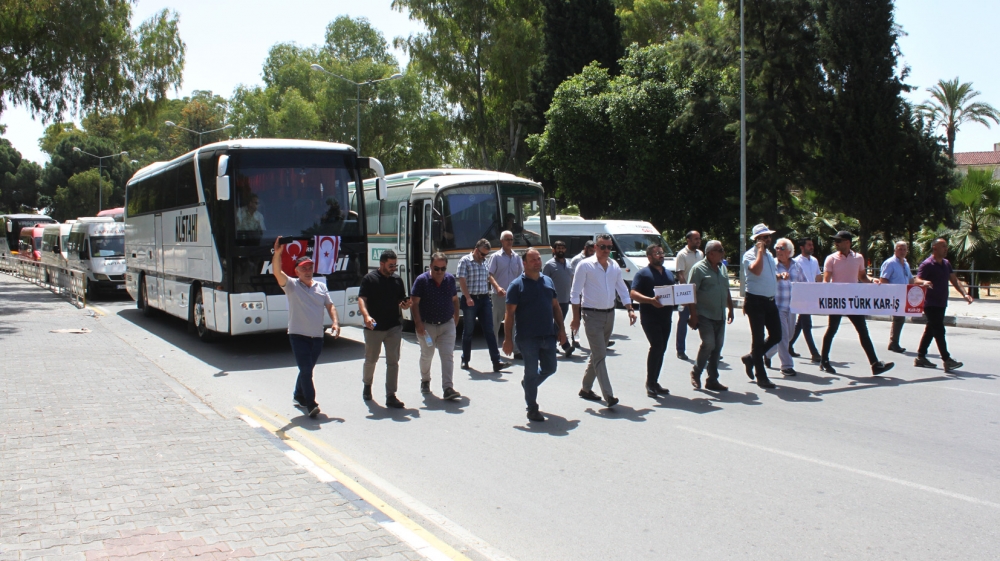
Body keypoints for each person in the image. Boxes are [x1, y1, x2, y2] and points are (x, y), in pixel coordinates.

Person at [271, 238, 340, 418]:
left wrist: (335, 322)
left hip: (317, 337)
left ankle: (298, 395)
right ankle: (311, 404)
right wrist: (278, 253)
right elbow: (277, 272)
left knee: (306, 369)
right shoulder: (292, 286)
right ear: (296, 271)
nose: (308, 271)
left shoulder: (321, 287)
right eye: (304, 268)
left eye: (310, 268)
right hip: (298, 336)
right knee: (307, 370)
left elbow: (330, 306)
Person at [570, 234, 637, 407]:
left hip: (609, 314)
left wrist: (630, 308)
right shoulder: (584, 265)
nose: (606, 250)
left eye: (609, 247)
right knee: (601, 355)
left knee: (597, 353)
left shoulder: (613, 265)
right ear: (595, 247)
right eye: (602, 247)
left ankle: (585, 389)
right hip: (591, 315)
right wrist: (576, 318)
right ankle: (609, 395)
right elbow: (575, 293)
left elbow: (622, 288)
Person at [504, 248, 568, 422]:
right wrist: (508, 339)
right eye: (533, 260)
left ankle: (528, 385)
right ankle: (532, 407)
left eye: (538, 259)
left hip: (548, 335)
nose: (537, 262)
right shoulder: (516, 286)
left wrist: (561, 330)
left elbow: (556, 307)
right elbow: (509, 314)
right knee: (531, 372)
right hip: (527, 338)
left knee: (550, 368)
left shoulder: (547, 281)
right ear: (524, 264)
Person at [819, 231, 894, 376]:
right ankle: (824, 360)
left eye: (839, 241)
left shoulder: (858, 258)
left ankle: (875, 364)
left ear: (848, 242)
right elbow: (826, 279)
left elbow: (862, 276)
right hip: (838, 301)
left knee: (863, 331)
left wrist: (873, 280)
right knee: (832, 329)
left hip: (853, 300)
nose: (836, 243)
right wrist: (825, 292)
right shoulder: (831, 259)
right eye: (835, 241)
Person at [358, 249, 411, 408]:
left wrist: (406, 304)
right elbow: (362, 299)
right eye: (390, 265)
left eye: (395, 265)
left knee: (393, 362)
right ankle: (367, 385)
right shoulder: (369, 279)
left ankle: (391, 395)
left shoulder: (397, 280)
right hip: (374, 328)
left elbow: (401, 300)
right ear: (381, 264)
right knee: (371, 359)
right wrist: (366, 316)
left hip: (393, 326)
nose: (393, 268)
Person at [914, 238, 973, 372]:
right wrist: (923, 282)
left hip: (941, 303)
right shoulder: (927, 264)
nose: (946, 249)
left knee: (931, 330)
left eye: (946, 246)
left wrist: (964, 294)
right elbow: (916, 279)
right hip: (930, 303)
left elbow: (954, 280)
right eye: (943, 246)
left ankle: (920, 357)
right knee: (940, 330)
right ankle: (947, 360)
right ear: (935, 248)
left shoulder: (946, 263)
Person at [410, 252, 462, 400]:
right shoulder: (422, 281)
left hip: (447, 324)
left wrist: (456, 318)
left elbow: (455, 300)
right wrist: (418, 323)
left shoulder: (450, 279)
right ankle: (425, 380)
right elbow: (414, 303)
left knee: (447, 356)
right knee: (427, 355)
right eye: (436, 268)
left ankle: (448, 388)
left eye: (442, 268)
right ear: (430, 266)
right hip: (427, 326)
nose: (439, 272)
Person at [686, 240, 735, 391]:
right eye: (720, 250)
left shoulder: (723, 268)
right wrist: (693, 315)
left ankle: (712, 380)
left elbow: (726, 289)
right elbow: (690, 293)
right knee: (709, 344)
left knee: (717, 348)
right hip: (704, 314)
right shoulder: (698, 269)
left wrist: (731, 308)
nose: (723, 253)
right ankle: (696, 372)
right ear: (710, 253)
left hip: (719, 314)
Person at [457, 239, 512, 372]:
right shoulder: (465, 261)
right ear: (476, 250)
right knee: (469, 331)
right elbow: (462, 280)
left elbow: (489, 276)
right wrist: (468, 297)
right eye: (482, 254)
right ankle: (465, 359)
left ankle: (496, 361)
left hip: (484, 299)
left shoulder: (484, 262)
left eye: (486, 255)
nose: (484, 257)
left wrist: (497, 287)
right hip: (470, 299)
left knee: (490, 330)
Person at [629, 244, 676, 397]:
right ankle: (650, 383)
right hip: (650, 318)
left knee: (662, 349)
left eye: (662, 253)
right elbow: (633, 293)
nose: (660, 255)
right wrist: (650, 300)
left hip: (666, 317)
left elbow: (674, 293)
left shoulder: (669, 274)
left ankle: (655, 381)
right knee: (657, 346)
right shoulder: (643, 274)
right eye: (657, 253)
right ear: (649, 257)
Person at [740, 224, 781, 389]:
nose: (768, 239)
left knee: (777, 335)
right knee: (758, 339)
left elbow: (766, 275)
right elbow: (756, 271)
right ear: (757, 240)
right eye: (764, 237)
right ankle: (761, 375)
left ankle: (751, 358)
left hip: (770, 301)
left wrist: (778, 276)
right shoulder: (750, 255)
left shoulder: (770, 255)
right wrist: (760, 252)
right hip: (755, 301)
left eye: (769, 237)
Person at [765, 238, 807, 376]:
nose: (778, 251)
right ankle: (786, 365)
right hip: (777, 307)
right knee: (783, 336)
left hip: (792, 307)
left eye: (781, 248)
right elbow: (767, 281)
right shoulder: (773, 265)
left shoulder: (797, 266)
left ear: (789, 251)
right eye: (776, 248)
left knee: (788, 337)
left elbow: (803, 284)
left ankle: (766, 352)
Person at [488, 230, 524, 359]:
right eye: (507, 239)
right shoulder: (496, 257)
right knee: (496, 323)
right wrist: (497, 288)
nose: (510, 242)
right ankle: (494, 350)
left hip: (514, 296)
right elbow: (489, 274)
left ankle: (516, 350)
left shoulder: (517, 257)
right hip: (499, 295)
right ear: (501, 241)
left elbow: (521, 275)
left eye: (511, 239)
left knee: (514, 322)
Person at [880, 241, 919, 353]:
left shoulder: (905, 264)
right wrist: (889, 294)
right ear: (895, 250)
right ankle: (894, 343)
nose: (902, 251)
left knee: (900, 319)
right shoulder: (890, 263)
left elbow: (911, 279)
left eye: (904, 249)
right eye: (900, 249)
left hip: (904, 295)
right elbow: (883, 279)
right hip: (894, 295)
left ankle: (893, 342)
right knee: (899, 319)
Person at [790, 237, 823, 362]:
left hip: (811, 295)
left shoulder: (814, 260)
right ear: (802, 247)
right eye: (809, 245)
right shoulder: (796, 261)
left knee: (800, 324)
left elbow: (818, 276)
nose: (811, 247)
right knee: (807, 324)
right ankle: (814, 353)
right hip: (800, 296)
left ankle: (789, 344)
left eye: (812, 244)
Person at [673, 231, 704, 360]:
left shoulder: (701, 254)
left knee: (704, 321)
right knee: (684, 321)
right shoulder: (682, 255)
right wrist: (687, 290)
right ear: (688, 240)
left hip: (700, 293)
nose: (698, 241)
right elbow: (680, 274)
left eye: (699, 239)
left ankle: (709, 348)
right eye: (695, 239)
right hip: (686, 294)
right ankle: (680, 350)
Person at [542, 240, 574, 356]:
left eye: (562, 248)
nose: (560, 250)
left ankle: (552, 345)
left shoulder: (569, 263)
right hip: (552, 300)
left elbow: (572, 279)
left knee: (558, 324)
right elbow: (543, 282)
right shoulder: (549, 265)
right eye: (558, 248)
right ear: (554, 250)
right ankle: (565, 345)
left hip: (565, 300)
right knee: (555, 324)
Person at [568, 240, 597, 349]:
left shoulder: (595, 259)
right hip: (579, 293)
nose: (592, 253)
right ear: (585, 248)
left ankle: (601, 339)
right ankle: (575, 339)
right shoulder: (577, 260)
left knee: (595, 317)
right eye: (590, 250)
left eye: (593, 251)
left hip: (591, 294)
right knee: (577, 317)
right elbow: (573, 278)